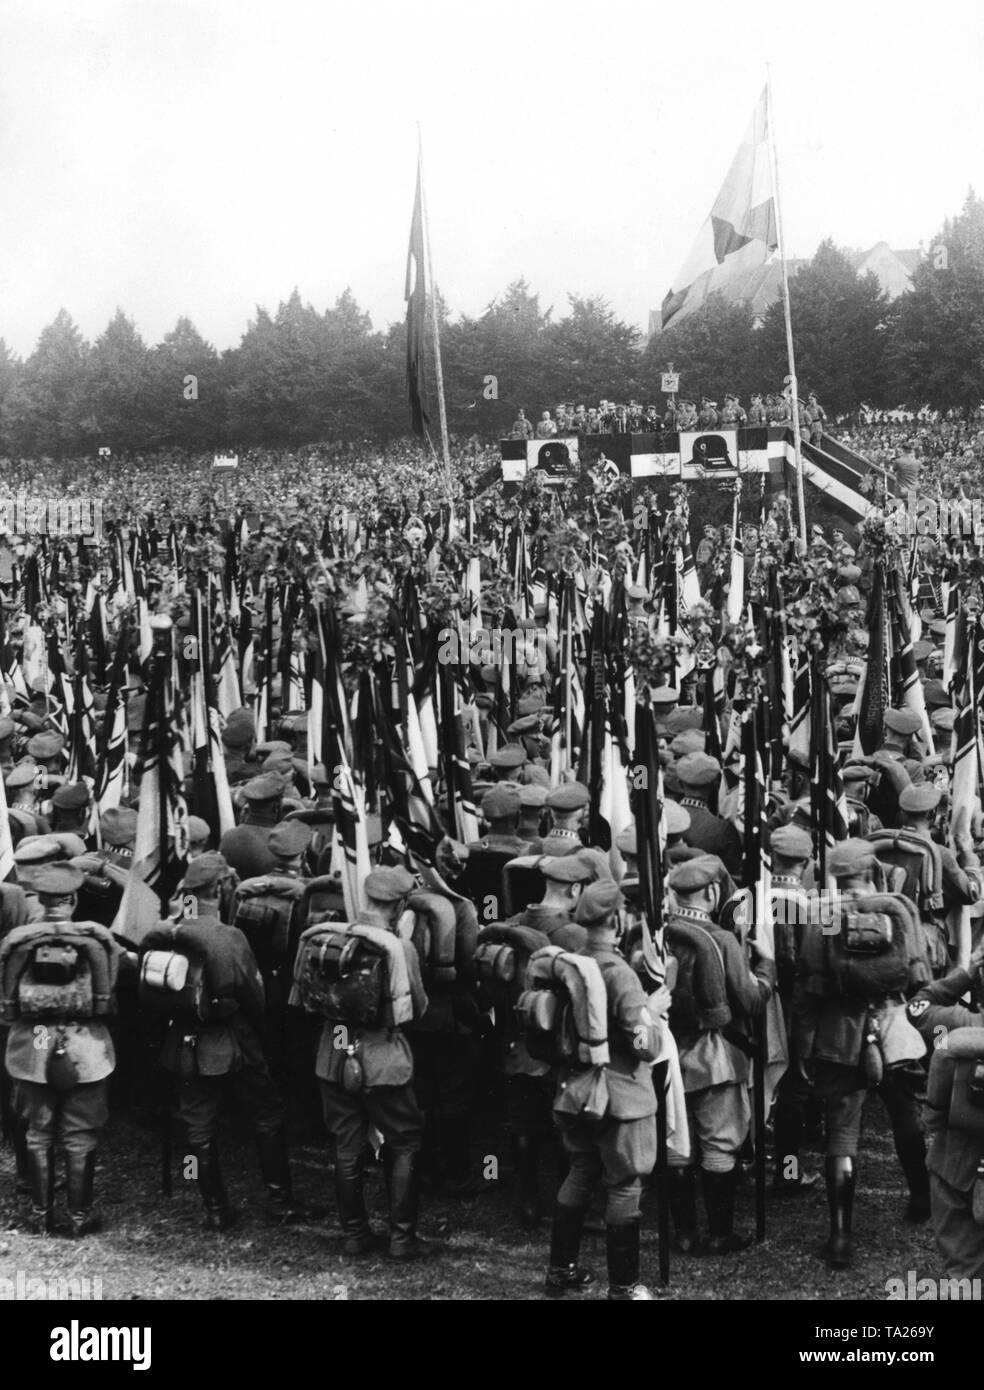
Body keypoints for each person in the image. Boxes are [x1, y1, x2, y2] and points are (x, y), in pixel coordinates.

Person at [153, 852, 315, 1231]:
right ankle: (280, 1202)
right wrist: (264, 1034)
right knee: (267, 1112)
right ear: (220, 887)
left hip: (182, 1042)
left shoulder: (166, 931)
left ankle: (215, 1208)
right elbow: (253, 996)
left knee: (199, 1123)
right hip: (233, 1040)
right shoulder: (228, 937)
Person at [793, 839, 932, 1269]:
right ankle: (920, 1200)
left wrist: (803, 1045)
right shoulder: (899, 908)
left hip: (839, 1036)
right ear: (872, 871)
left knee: (841, 1134)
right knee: (905, 1119)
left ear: (834, 875)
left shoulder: (822, 917)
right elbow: (919, 978)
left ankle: (839, 1237)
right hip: (892, 1030)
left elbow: (807, 992)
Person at [544, 880, 669, 1300]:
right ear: (617, 919)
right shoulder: (620, 975)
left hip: (577, 1092)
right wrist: (650, 1016)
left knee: (580, 1172)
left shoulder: (569, 965)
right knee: (625, 1186)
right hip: (622, 1099)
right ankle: (625, 1287)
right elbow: (644, 1047)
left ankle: (561, 1272)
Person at [316, 865, 434, 1260]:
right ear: (400, 904)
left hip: (334, 1054)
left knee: (346, 1147)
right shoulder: (399, 947)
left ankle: (354, 1235)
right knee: (403, 1143)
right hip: (383, 1058)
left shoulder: (329, 938)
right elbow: (416, 1009)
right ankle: (402, 1238)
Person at [2, 863, 127, 1236]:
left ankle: (40, 1215)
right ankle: (78, 1217)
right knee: (80, 1132)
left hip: (34, 1042)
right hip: (84, 1045)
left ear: (39, 899)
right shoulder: (99, 940)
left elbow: (6, 1006)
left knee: (38, 1132)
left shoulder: (16, 941)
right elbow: (111, 998)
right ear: (73, 899)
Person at [664, 855, 774, 1255]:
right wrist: (767, 969)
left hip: (668, 1050)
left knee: (678, 1143)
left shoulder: (659, 932)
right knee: (719, 1141)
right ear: (712, 892)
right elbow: (750, 1000)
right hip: (713, 1055)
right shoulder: (723, 939)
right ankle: (719, 1232)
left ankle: (685, 1233)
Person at [905, 942, 984, 1279]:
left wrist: (966, 975)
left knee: (962, 1270)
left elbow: (916, 1007)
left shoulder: (958, 1023)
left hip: (958, 1162)